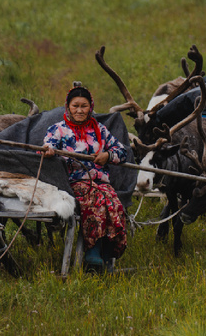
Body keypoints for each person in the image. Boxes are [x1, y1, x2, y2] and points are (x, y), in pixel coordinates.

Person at [41, 83, 129, 270]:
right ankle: (93, 251)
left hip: (101, 182)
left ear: (91, 107)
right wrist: (48, 152)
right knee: (95, 198)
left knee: (114, 203)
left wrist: (107, 156)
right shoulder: (58, 130)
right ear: (68, 107)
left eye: (84, 106)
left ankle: (107, 254)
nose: (80, 110)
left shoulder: (100, 130)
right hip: (71, 183)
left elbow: (122, 152)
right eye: (76, 106)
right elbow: (47, 147)